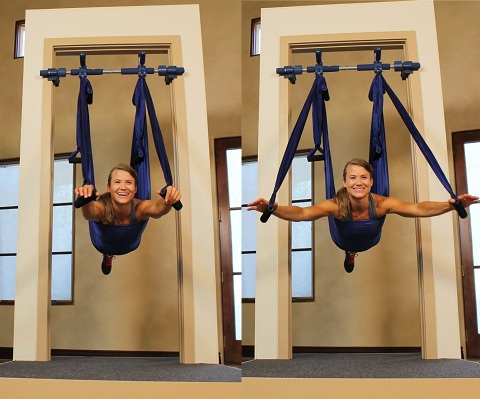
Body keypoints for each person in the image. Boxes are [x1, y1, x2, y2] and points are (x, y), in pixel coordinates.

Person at [248, 158, 479, 273]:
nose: (358, 182)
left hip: (371, 240)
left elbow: (418, 209)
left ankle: (353, 253)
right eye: (353, 178)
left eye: (364, 177)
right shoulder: (335, 206)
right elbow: (302, 213)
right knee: (348, 246)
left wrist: (451, 205)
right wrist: (273, 208)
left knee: (359, 244)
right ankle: (350, 254)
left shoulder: (381, 204)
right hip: (342, 240)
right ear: (345, 182)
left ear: (371, 181)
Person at [74, 163, 182, 275]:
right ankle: (108, 255)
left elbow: (158, 209)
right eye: (117, 182)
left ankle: (109, 255)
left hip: (130, 244)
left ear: (135, 189)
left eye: (129, 182)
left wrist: (169, 199)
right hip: (103, 244)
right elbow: (90, 213)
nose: (123, 187)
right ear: (109, 187)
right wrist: (85, 199)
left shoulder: (140, 208)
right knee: (107, 249)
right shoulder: (102, 208)